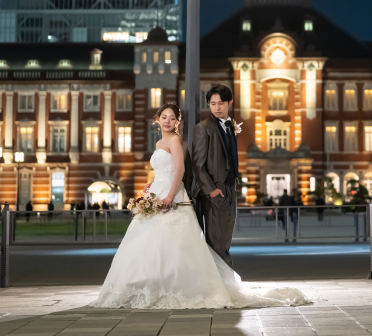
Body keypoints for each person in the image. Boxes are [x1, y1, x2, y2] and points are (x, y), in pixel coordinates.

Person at [91, 103, 307, 309]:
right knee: (150, 242)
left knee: (174, 244)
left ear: (177, 121)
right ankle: (154, 285)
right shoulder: (159, 143)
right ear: (157, 120)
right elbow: (164, 170)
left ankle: (173, 286)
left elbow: (180, 170)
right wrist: (153, 183)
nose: (167, 121)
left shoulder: (175, 141)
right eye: (164, 117)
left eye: (172, 118)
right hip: (158, 190)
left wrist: (170, 195)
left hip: (170, 195)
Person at [191, 85, 241, 267]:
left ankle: (224, 283)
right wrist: (212, 191)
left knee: (225, 240)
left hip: (229, 189)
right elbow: (198, 165)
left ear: (230, 103)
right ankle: (221, 286)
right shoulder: (203, 128)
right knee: (216, 242)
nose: (217, 108)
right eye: (213, 104)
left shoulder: (230, 126)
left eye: (221, 103)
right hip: (214, 192)